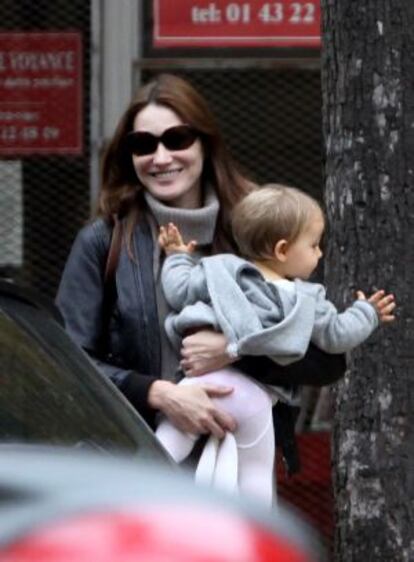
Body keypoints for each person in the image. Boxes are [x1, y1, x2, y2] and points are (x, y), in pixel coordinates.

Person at [56, 74, 346, 483]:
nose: (160, 157)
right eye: (143, 145)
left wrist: (236, 351)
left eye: (177, 139)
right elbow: (68, 363)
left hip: (239, 464)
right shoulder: (104, 241)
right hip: (135, 465)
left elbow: (328, 357)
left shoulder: (256, 231)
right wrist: (161, 394)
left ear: (205, 144)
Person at [155, 185, 395, 504]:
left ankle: (129, 505)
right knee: (254, 479)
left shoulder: (218, 271)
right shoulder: (307, 300)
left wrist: (176, 257)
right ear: (282, 250)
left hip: (198, 388)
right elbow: (338, 336)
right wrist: (367, 313)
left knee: (159, 456)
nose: (319, 253)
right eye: (313, 245)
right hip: (253, 399)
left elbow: (177, 289)